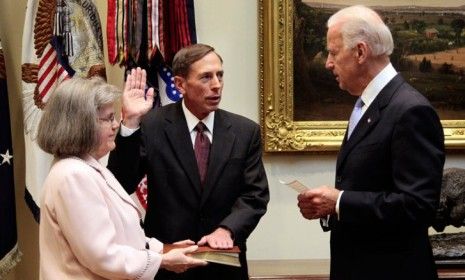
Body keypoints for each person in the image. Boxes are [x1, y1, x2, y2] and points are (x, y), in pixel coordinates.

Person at [297, 5, 445, 280]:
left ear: (361, 52)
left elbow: (417, 207)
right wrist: (331, 206)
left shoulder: (409, 110)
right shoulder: (367, 105)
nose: (328, 62)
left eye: (333, 52)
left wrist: (339, 202)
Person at [108, 43, 270, 279]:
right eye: (206, 77)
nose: (216, 85)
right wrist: (130, 124)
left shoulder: (245, 132)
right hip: (169, 264)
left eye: (220, 75)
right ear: (180, 84)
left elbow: (255, 195)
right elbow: (120, 184)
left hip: (224, 265)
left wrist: (227, 229)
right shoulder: (152, 125)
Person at [37, 77, 207, 280]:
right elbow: (102, 256)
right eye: (108, 118)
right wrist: (162, 260)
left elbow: (122, 235)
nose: (116, 124)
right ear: (82, 124)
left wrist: (164, 249)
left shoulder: (86, 166)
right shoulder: (73, 175)